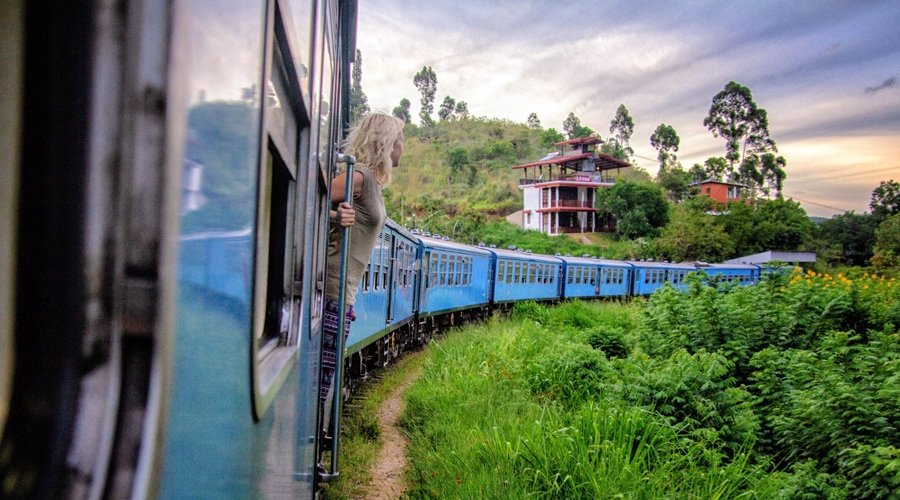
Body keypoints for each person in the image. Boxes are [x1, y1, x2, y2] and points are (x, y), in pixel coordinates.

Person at [320, 112, 404, 429]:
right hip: (333, 287)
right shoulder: (361, 177)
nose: (403, 149)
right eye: (400, 141)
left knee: (326, 375)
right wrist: (333, 216)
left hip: (345, 291)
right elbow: (311, 196)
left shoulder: (371, 183)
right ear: (386, 144)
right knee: (322, 378)